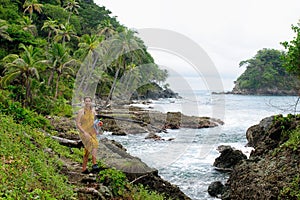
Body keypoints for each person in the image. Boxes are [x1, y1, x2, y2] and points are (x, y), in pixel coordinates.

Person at [76, 96, 100, 174]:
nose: (88, 102)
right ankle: (94, 164)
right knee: (91, 146)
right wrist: (84, 132)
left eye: (89, 101)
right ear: (84, 102)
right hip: (84, 132)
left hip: (92, 132)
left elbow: (96, 122)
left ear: (91, 102)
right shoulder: (81, 111)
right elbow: (78, 124)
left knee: (93, 146)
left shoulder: (93, 112)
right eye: (86, 101)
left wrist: (99, 124)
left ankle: (85, 168)